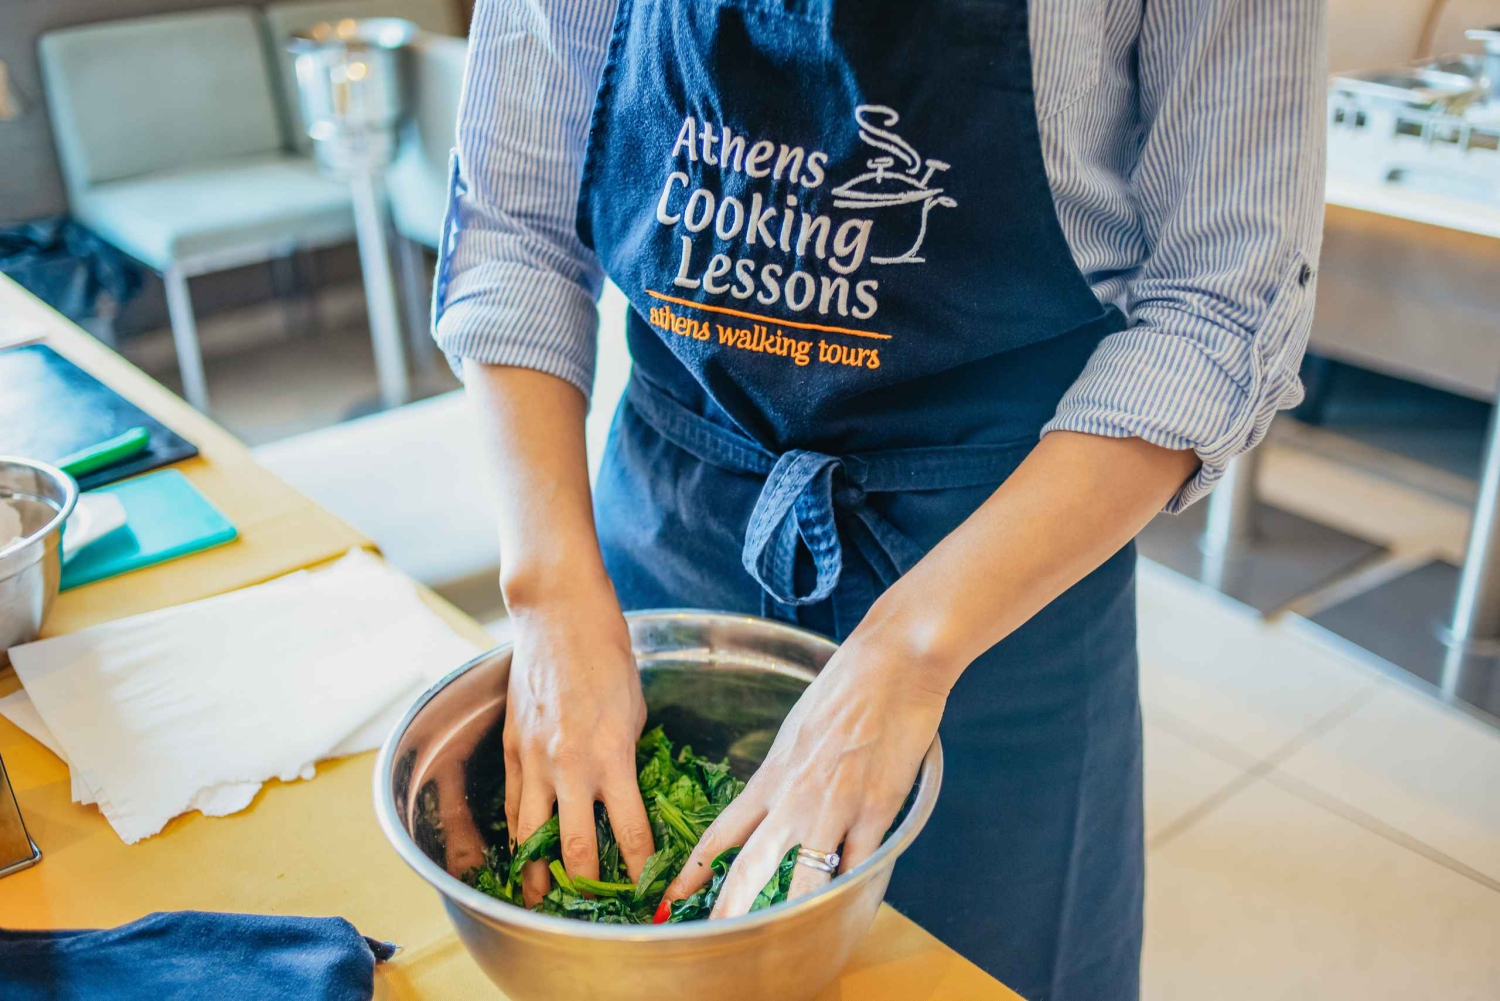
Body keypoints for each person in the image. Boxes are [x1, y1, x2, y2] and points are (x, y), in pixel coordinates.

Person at [435, 0, 1325, 996]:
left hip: (996, 573)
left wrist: (907, 654)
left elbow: (1219, 305)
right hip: (672, 528)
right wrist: (548, 589)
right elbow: (512, 225)